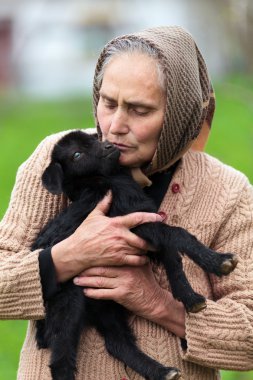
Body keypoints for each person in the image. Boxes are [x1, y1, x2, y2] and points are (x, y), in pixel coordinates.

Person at [1, 26, 253, 380]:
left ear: (179, 114)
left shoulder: (228, 191)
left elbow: (249, 337)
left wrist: (157, 303)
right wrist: (67, 257)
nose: (114, 126)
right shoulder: (57, 160)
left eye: (139, 110)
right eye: (108, 103)